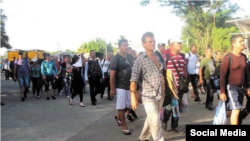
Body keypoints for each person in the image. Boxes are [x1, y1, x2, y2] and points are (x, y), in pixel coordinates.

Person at [131, 32, 165, 141]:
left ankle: (143, 138)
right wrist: (133, 98)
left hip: (160, 94)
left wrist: (156, 62)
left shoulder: (158, 56)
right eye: (150, 41)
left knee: (151, 119)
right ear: (144, 44)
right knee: (156, 122)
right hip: (148, 96)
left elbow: (162, 70)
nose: (152, 43)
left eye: (153, 41)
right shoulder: (139, 60)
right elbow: (133, 80)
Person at [220, 35, 250, 125]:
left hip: (241, 87)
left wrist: (248, 87)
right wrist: (222, 91)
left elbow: (246, 74)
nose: (242, 43)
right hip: (231, 87)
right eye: (240, 41)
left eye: (243, 41)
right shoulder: (228, 57)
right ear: (233, 44)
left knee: (232, 111)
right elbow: (222, 76)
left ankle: (220, 119)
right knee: (236, 110)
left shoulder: (243, 57)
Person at [110, 39, 134, 135]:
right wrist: (112, 88)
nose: (126, 47)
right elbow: (112, 75)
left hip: (129, 85)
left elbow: (134, 69)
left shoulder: (129, 57)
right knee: (121, 106)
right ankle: (124, 126)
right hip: (120, 85)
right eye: (124, 45)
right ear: (119, 47)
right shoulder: (115, 58)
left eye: (127, 45)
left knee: (128, 106)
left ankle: (118, 116)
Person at [163, 37, 187, 133]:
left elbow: (184, 70)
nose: (181, 45)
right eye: (179, 43)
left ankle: (174, 125)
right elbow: (162, 72)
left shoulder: (182, 57)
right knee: (170, 107)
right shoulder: (166, 57)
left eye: (181, 43)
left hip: (179, 87)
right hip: (169, 88)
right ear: (172, 45)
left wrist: (185, 82)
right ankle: (165, 120)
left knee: (176, 106)